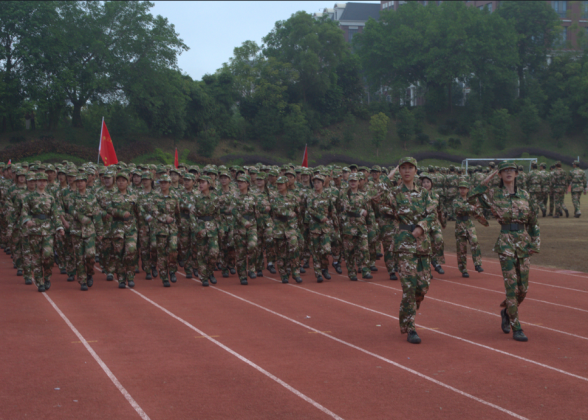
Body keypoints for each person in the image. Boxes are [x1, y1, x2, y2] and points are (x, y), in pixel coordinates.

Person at [468, 161, 540, 342]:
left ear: (517, 174)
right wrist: (486, 181)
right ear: (499, 175)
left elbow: (533, 220)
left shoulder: (525, 195)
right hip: (505, 243)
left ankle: (507, 312)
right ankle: (517, 327)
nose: (508, 173)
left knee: (523, 289)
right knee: (511, 287)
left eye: (511, 170)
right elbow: (470, 197)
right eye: (504, 171)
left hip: (523, 243)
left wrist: (535, 243)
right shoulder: (494, 194)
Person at [380, 158, 434, 344]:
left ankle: (408, 312)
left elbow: (432, 214)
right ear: (399, 171)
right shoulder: (394, 193)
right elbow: (374, 194)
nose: (407, 171)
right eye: (403, 168)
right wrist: (389, 176)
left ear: (416, 171)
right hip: (404, 244)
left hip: (422, 243)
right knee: (409, 287)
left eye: (410, 168)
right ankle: (410, 326)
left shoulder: (424, 194)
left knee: (423, 286)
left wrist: (422, 226)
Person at [21, 172, 65, 292]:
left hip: (48, 229)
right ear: (36, 182)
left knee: (48, 255)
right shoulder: (29, 197)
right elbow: (24, 212)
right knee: (36, 257)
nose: (42, 183)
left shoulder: (50, 197)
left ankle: (47, 277)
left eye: (44, 181)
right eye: (39, 180)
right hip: (34, 229)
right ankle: (39, 282)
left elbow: (55, 214)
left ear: (46, 182)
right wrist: (27, 220)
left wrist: (59, 227)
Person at [70, 173, 103, 291]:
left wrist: (100, 231)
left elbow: (97, 214)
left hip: (89, 229)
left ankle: (89, 273)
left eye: (82, 181)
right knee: (79, 257)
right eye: (77, 181)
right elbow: (70, 210)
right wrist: (80, 217)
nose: (79, 183)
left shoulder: (91, 197)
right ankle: (82, 281)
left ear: (85, 182)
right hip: (77, 229)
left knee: (90, 255)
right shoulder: (72, 196)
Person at [146, 174, 179, 287]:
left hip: (172, 228)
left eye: (165, 182)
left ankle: (172, 270)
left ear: (170, 184)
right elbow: (154, 212)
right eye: (161, 182)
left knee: (173, 249)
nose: (163, 184)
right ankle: (164, 276)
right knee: (161, 253)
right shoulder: (155, 197)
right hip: (160, 229)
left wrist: (177, 225)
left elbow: (177, 212)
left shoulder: (174, 197)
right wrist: (165, 218)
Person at [107, 173, 139, 288]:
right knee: (118, 253)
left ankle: (130, 277)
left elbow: (138, 211)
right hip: (117, 227)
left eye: (123, 180)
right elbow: (109, 209)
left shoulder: (134, 196)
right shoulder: (112, 196)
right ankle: (121, 278)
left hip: (131, 228)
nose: (121, 182)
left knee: (131, 251)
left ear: (128, 182)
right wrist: (121, 213)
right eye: (119, 180)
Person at [339, 173, 374, 281]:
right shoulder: (345, 194)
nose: (353, 183)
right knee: (349, 251)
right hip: (349, 226)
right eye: (351, 181)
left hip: (361, 226)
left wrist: (371, 225)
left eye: (355, 181)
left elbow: (369, 210)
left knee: (364, 249)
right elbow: (347, 207)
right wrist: (360, 210)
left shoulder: (364, 195)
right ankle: (351, 272)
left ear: (359, 182)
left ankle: (365, 271)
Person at [453, 181, 489, 278]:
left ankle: (477, 264)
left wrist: (483, 220)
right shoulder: (456, 200)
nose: (462, 190)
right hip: (460, 224)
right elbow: (459, 209)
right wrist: (471, 207)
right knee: (461, 248)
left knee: (474, 242)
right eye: (461, 188)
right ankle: (463, 270)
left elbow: (477, 209)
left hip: (469, 223)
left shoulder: (472, 200)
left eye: (464, 188)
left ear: (468, 189)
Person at [270, 176, 302, 284]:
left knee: (294, 248)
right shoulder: (274, 197)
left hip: (291, 227)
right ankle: (284, 274)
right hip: (279, 227)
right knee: (281, 253)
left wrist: (297, 226)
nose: (279, 186)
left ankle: (296, 272)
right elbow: (276, 209)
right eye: (278, 184)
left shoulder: (293, 197)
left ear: (287, 184)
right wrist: (288, 213)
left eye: (281, 184)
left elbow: (298, 211)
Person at [190, 175, 220, 287]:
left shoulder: (215, 197)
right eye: (200, 182)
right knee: (201, 254)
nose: (201, 184)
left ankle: (210, 272)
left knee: (214, 253)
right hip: (200, 227)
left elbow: (218, 214)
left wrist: (219, 228)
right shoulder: (196, 197)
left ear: (209, 184)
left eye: (203, 182)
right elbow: (192, 214)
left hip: (212, 228)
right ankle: (203, 277)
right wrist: (196, 229)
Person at [306, 173, 336, 282]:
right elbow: (310, 209)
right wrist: (320, 217)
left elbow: (332, 210)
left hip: (326, 227)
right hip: (315, 227)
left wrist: (335, 225)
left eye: (318, 182)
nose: (316, 184)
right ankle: (318, 273)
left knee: (326, 250)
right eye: (314, 182)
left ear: (323, 183)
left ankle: (324, 268)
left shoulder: (327, 195)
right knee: (315, 251)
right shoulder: (310, 196)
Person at [232, 174, 258, 285]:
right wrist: (243, 221)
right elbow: (234, 211)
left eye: (242, 182)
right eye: (238, 181)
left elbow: (257, 211)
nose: (240, 183)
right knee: (240, 253)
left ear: (247, 183)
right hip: (239, 227)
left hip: (252, 225)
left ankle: (251, 268)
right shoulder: (234, 196)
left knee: (253, 245)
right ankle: (242, 276)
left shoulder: (253, 196)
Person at [419, 172, 446, 275]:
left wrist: (443, 222)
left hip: (434, 223)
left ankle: (436, 261)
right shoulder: (418, 195)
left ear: (431, 183)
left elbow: (439, 210)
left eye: (428, 182)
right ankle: (428, 267)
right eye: (424, 182)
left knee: (439, 240)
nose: (426, 184)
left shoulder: (436, 195)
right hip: (423, 223)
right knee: (426, 245)